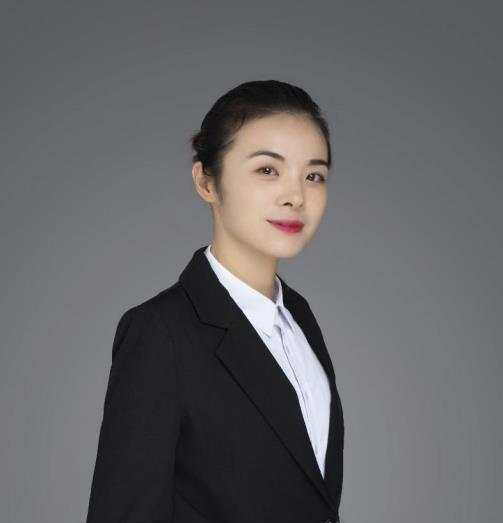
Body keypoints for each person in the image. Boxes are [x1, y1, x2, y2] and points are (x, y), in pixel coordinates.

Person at [85, 79, 344, 523]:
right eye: (268, 170)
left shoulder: (298, 317)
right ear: (207, 181)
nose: (295, 196)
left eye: (313, 175)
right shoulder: (161, 333)